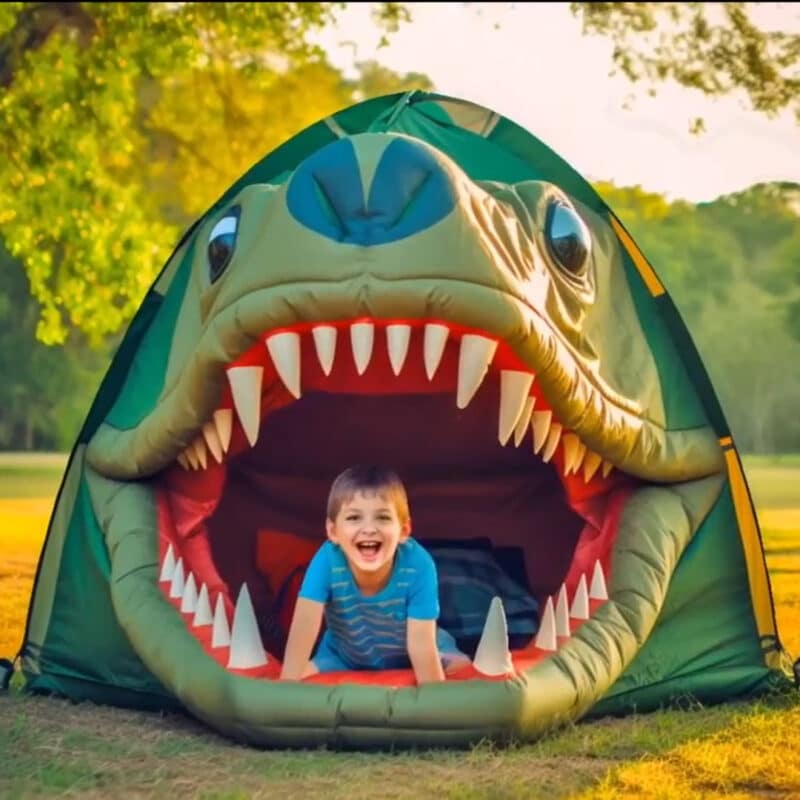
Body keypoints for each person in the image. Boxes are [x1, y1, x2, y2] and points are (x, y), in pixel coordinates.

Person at [279, 465, 470, 683]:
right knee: (301, 676)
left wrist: (435, 699)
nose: (369, 528)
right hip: (343, 655)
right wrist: (287, 684)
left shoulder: (419, 564)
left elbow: (421, 643)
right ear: (333, 532)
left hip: (416, 650)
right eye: (354, 518)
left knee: (461, 671)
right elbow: (305, 623)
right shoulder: (327, 560)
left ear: (404, 531)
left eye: (382, 518)